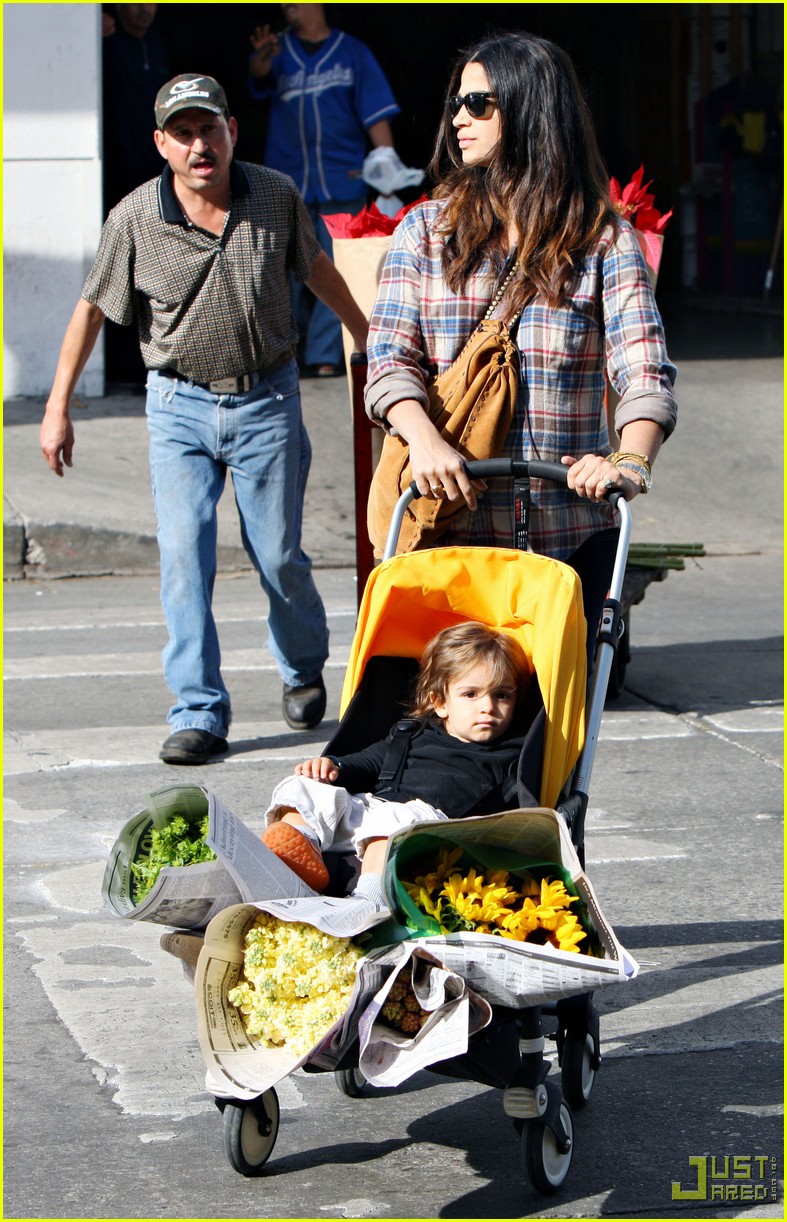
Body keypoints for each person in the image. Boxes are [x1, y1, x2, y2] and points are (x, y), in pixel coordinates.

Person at [39, 73, 369, 765]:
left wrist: (368, 338)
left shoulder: (273, 195)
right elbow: (93, 308)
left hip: (267, 399)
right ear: (162, 143)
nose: (198, 145)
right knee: (185, 557)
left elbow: (315, 268)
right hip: (178, 407)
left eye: (208, 129)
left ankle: (302, 664)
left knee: (277, 554)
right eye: (182, 134)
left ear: (230, 133)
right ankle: (198, 710)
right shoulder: (134, 217)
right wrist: (57, 407)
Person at [364, 32, 678, 655]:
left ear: (530, 107)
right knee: (461, 723)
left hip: (569, 536)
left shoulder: (605, 241)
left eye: (479, 103)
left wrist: (629, 462)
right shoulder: (426, 232)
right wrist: (424, 442)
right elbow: (388, 361)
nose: (458, 118)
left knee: (556, 733)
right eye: (457, 102)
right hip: (452, 532)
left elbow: (645, 372)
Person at [261, 621, 535, 916]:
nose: (488, 707)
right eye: (471, 694)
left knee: (393, 816)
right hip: (371, 814)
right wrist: (334, 767)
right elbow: (371, 760)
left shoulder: (512, 751)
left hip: (427, 831)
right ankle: (300, 850)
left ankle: (369, 901)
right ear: (440, 702)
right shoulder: (413, 733)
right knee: (302, 785)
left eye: (502, 695)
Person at [248, 3, 399, 376]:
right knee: (287, 272)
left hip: (341, 178)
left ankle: (326, 356)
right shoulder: (278, 50)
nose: (288, 7)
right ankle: (289, 350)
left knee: (336, 269)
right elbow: (257, 78)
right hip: (288, 181)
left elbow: (376, 113)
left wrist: (388, 170)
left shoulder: (351, 52)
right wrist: (262, 59)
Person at [101, 4, 171, 386]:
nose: (143, 9)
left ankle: (149, 360)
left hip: (157, 179)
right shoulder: (106, 43)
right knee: (118, 275)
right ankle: (121, 365)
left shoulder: (160, 47)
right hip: (116, 178)